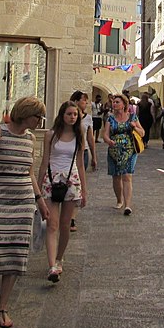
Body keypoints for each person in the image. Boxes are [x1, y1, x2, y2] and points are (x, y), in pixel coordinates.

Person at [0, 96, 49, 328]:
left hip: (23, 200)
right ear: (25, 113)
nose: (39, 121)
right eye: (37, 116)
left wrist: (40, 201)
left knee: (15, 252)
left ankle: (2, 306)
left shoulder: (32, 139)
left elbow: (30, 173)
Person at [38, 101, 86, 281]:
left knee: (65, 225)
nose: (72, 117)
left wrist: (84, 190)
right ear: (62, 115)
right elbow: (45, 160)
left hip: (71, 181)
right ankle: (52, 266)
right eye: (69, 114)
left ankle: (59, 258)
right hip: (52, 179)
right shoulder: (51, 135)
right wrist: (38, 185)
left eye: (75, 114)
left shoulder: (78, 136)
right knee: (52, 224)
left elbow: (80, 164)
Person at [102, 93, 143, 216]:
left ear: (124, 104)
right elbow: (105, 134)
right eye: (114, 102)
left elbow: (143, 133)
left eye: (117, 102)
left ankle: (127, 205)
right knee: (116, 177)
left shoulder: (133, 117)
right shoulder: (110, 118)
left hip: (129, 150)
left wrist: (134, 127)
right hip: (114, 151)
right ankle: (119, 199)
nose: (114, 104)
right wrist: (108, 141)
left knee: (127, 176)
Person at [68, 90, 96, 233]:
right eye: (84, 100)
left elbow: (90, 138)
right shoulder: (67, 116)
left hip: (83, 153)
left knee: (77, 183)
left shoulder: (88, 118)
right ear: (77, 101)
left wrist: (94, 156)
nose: (86, 103)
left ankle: (72, 217)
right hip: (69, 153)